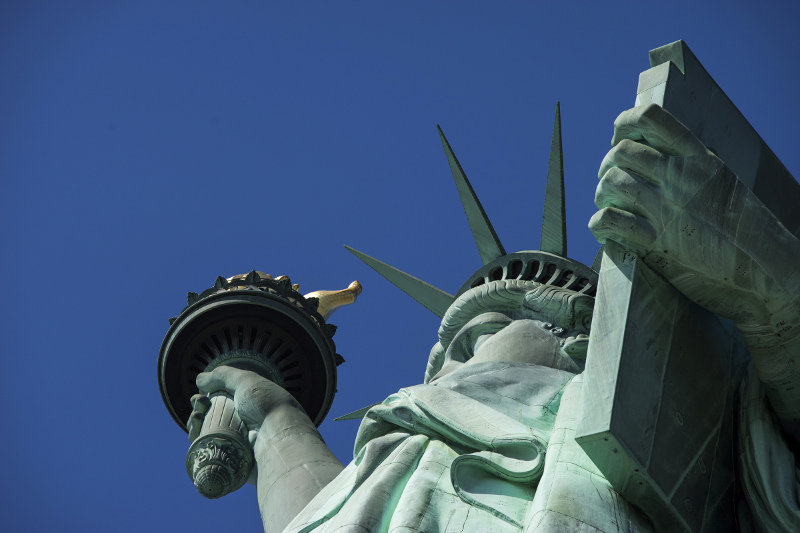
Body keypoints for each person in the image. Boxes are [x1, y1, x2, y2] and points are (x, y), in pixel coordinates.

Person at [189, 104, 800, 532]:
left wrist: (757, 269)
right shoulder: (407, 449)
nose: (446, 376)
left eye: (480, 335)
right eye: (447, 354)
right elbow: (331, 517)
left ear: (582, 340)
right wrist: (272, 419)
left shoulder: (673, 417)